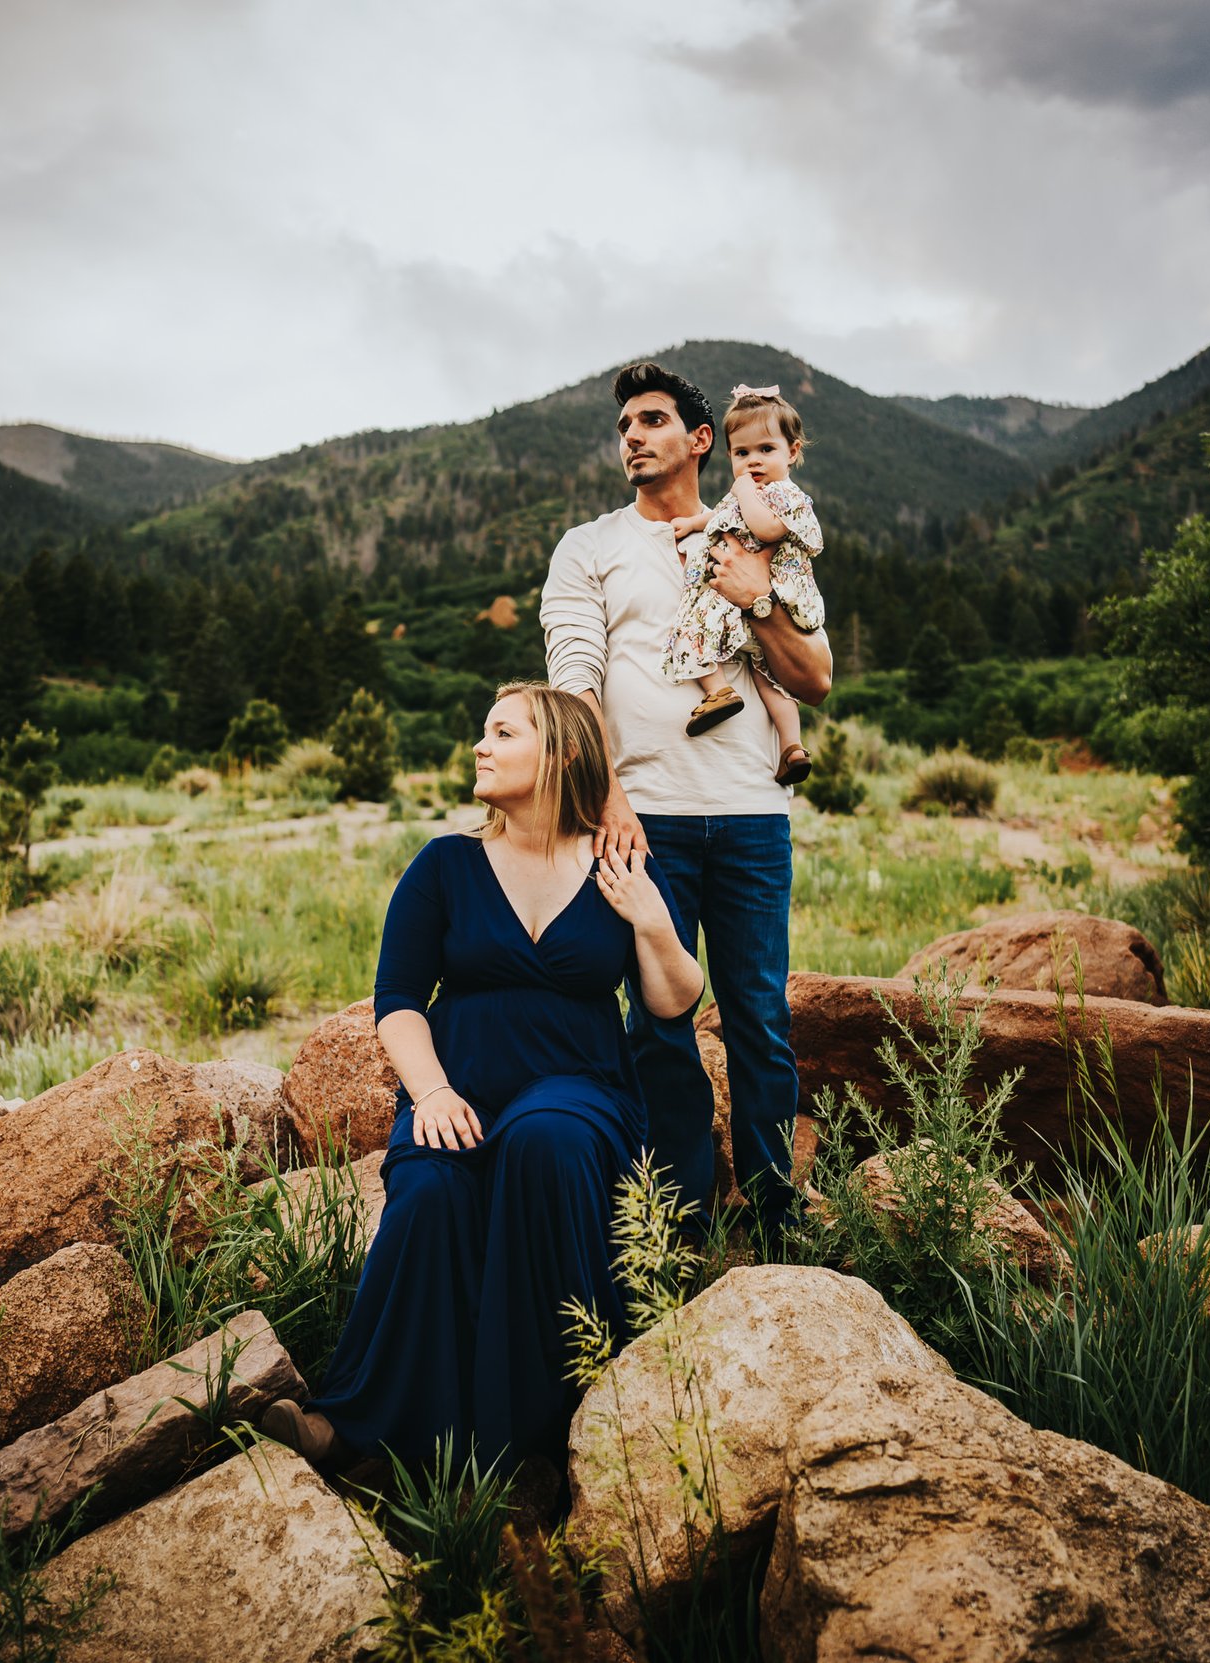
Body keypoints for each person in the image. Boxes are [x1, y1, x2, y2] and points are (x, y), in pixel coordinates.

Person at [259, 682, 703, 1474]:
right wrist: (429, 1092)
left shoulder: (618, 863)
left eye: (503, 732)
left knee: (546, 1141)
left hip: (583, 1088)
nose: (480, 745)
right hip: (457, 1088)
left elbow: (671, 999)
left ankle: (545, 1432)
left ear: (563, 753)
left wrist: (652, 918)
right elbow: (397, 999)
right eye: (484, 732)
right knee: (430, 1195)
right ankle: (354, 1428)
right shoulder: (445, 865)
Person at [538, 361, 833, 1235]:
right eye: (625, 422)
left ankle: (776, 1210)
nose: (631, 434)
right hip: (645, 820)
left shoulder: (760, 530)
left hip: (751, 816)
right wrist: (607, 799)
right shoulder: (588, 548)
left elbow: (814, 678)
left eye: (653, 419)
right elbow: (575, 680)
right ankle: (681, 1217)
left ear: (702, 441)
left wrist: (758, 598)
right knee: (660, 1022)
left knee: (759, 1018)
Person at [661, 385, 827, 785]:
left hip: (767, 595)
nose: (753, 461)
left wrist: (745, 490)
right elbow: (722, 517)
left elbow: (765, 527)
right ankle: (792, 747)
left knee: (692, 629)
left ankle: (716, 690)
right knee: (765, 673)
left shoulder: (785, 495)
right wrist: (695, 523)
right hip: (753, 601)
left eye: (765, 450)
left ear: (793, 451)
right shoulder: (746, 494)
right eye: (742, 453)